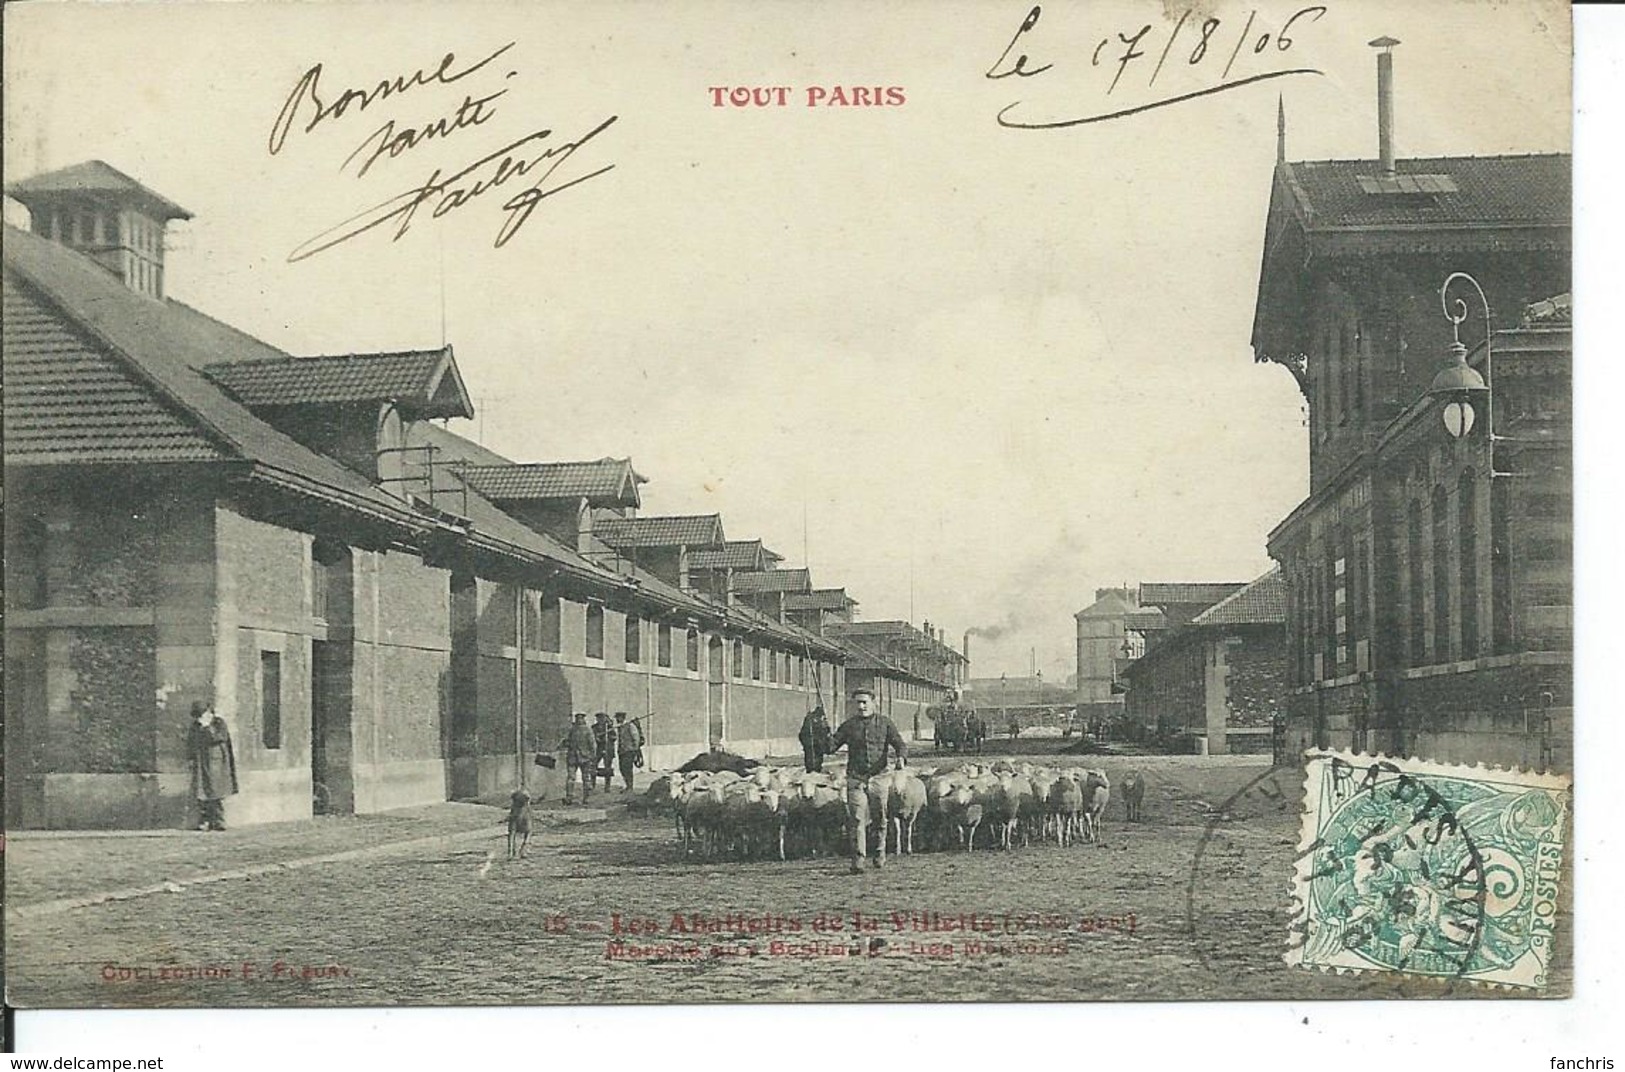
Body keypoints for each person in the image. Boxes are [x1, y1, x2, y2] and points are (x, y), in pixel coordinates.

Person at [827, 687, 907, 873]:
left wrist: (901, 757)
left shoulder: (885, 723)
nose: (861, 706)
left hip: (879, 777)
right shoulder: (849, 725)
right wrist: (823, 734)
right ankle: (858, 859)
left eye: (865, 702)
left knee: (880, 817)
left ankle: (879, 852)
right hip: (856, 778)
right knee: (856, 818)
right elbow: (831, 747)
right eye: (858, 703)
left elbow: (899, 743)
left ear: (874, 702)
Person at [187, 701, 237, 831]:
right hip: (201, 762)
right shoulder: (195, 725)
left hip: (216, 763)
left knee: (215, 791)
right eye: (197, 715)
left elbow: (219, 738)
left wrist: (207, 728)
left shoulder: (218, 723)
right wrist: (191, 759)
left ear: (208, 712)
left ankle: (218, 821)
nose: (199, 718)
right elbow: (191, 742)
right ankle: (204, 821)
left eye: (201, 714)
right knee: (201, 792)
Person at [562, 713, 597, 804]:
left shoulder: (586, 730)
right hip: (575, 757)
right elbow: (593, 745)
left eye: (580, 719)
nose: (579, 720)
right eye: (578, 719)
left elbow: (593, 745)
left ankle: (585, 798)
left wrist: (592, 756)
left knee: (584, 778)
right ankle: (570, 797)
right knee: (573, 778)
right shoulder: (575, 730)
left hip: (582, 758)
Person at [614, 712, 644, 792]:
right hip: (621, 751)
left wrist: (635, 750)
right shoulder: (620, 727)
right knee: (622, 769)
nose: (617, 719)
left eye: (618, 718)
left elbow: (636, 738)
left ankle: (630, 786)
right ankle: (627, 785)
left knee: (627, 769)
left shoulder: (630, 726)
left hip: (629, 751)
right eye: (616, 718)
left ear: (622, 718)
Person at [798, 704, 832, 773]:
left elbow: (824, 732)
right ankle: (811, 771)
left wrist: (827, 730)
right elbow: (803, 733)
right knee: (811, 760)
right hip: (811, 744)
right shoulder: (810, 720)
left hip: (818, 745)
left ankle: (816, 770)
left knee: (817, 760)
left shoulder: (820, 721)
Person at [592, 713, 618, 794]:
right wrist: (597, 738)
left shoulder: (610, 727)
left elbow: (614, 737)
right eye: (598, 718)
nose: (600, 720)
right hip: (597, 750)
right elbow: (591, 737)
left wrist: (608, 738)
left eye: (602, 718)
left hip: (608, 749)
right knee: (593, 766)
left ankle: (607, 787)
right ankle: (592, 785)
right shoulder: (594, 727)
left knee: (608, 768)